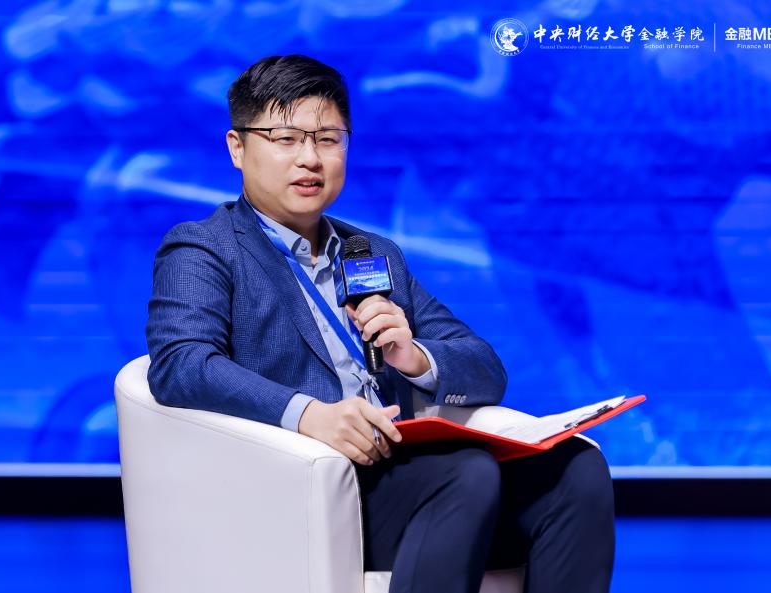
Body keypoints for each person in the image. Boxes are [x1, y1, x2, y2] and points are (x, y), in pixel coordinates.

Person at [146, 54, 614, 593]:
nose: (309, 159)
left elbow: (486, 367)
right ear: (237, 147)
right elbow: (182, 365)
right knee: (465, 472)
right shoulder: (204, 247)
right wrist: (309, 416)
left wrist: (414, 358)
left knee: (575, 469)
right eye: (286, 139)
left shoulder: (371, 252)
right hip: (295, 486)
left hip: (406, 475)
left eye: (328, 139)